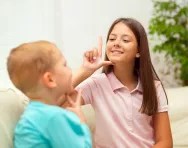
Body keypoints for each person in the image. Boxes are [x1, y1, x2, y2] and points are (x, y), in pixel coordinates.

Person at [69, 18, 173, 147]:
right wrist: (84, 71)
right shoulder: (96, 84)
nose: (116, 43)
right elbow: (56, 99)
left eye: (125, 40)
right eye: (112, 39)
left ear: (139, 51)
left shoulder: (154, 87)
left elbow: (165, 142)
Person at [7, 41, 92, 148]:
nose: (70, 70)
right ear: (50, 79)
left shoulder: (30, 117)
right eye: (65, 65)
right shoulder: (54, 117)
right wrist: (82, 122)